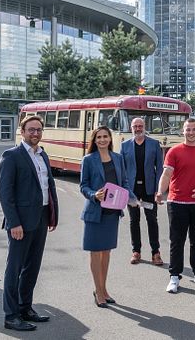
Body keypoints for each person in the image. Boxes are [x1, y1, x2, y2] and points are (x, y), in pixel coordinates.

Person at [0, 115, 59, 331]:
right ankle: (11, 315)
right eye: (31, 130)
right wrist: (14, 222)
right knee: (14, 269)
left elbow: (48, 188)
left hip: (41, 217)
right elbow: (5, 193)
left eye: (39, 130)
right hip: (20, 223)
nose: (35, 134)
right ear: (22, 132)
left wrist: (52, 215)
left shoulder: (43, 155)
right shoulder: (12, 156)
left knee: (32, 267)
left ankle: (25, 308)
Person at [156, 118, 195, 293]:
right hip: (177, 202)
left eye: (193, 129)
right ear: (182, 132)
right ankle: (174, 276)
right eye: (187, 130)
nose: (190, 132)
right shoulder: (174, 151)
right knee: (177, 241)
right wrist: (160, 191)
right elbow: (166, 174)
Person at [80, 126, 130, 308]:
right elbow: (83, 186)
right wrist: (94, 194)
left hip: (112, 213)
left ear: (110, 139)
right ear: (94, 140)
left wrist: (129, 197)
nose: (102, 140)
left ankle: (104, 288)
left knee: (106, 252)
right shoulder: (88, 160)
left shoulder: (117, 158)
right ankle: (98, 290)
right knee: (95, 253)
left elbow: (123, 182)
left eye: (105, 137)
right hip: (94, 213)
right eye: (99, 137)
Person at [121, 117, 164, 266]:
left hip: (149, 190)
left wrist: (158, 190)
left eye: (140, 126)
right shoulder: (125, 146)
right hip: (132, 191)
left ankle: (156, 252)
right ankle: (136, 251)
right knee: (134, 221)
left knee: (152, 220)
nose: (138, 128)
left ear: (144, 127)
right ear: (131, 128)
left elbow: (160, 169)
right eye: (135, 126)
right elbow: (122, 170)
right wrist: (125, 190)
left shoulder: (154, 144)